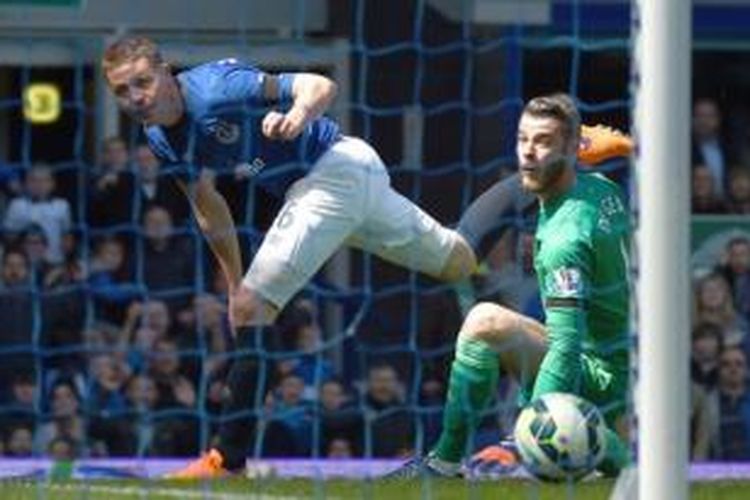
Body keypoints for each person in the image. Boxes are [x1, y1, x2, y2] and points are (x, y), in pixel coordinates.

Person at [101, 35, 478, 477]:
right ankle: (521, 193)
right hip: (341, 185)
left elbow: (319, 86)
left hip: (333, 172)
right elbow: (208, 207)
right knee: (459, 261)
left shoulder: (218, 88)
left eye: (142, 82)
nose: (135, 98)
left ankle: (227, 461)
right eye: (122, 91)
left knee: (256, 307)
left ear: (165, 71)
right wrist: (233, 283)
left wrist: (298, 115)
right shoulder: (159, 137)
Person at [389, 93, 632, 478]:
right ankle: (612, 452)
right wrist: (580, 149)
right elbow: (531, 182)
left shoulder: (564, 239)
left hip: (599, 376)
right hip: (628, 364)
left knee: (484, 322)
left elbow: (566, 349)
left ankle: (444, 464)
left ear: (570, 149)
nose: (529, 153)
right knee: (621, 467)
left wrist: (526, 436)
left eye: (543, 141)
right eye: (523, 139)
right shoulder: (603, 188)